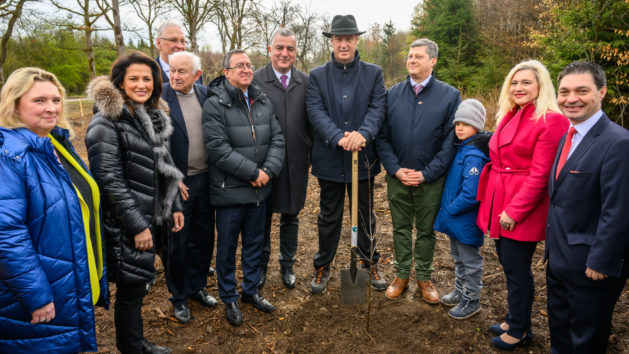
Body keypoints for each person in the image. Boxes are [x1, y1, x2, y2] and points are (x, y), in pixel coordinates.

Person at [0, 67, 107, 352]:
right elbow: (6, 234)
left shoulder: (54, 144)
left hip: (65, 281)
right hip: (37, 293)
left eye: (56, 99)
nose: (51, 108)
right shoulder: (9, 155)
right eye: (39, 101)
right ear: (14, 103)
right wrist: (36, 295)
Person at [85, 52, 184, 354]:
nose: (141, 84)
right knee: (130, 291)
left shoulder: (151, 116)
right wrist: (138, 227)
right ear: (119, 82)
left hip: (152, 216)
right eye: (134, 79)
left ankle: (135, 342)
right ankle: (131, 346)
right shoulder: (106, 123)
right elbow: (110, 182)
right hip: (127, 222)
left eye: (147, 79)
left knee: (138, 285)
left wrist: (175, 204)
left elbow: (165, 166)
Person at [476, 60, 569, 349]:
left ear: (541, 86)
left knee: (517, 268)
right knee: (507, 263)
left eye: (526, 82)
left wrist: (515, 211)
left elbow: (541, 174)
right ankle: (514, 317)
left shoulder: (550, 119)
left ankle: (519, 329)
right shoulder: (509, 114)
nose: (519, 88)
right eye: (514, 83)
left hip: (522, 204)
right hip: (499, 197)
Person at [546, 61, 629, 354]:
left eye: (582, 91)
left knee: (586, 338)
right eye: (565, 91)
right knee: (561, 330)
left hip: (592, 268)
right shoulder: (567, 137)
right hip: (559, 260)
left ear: (602, 92)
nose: (571, 98)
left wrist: (602, 261)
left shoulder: (618, 143)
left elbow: (618, 210)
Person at [203, 49, 285, 326]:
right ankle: (229, 297)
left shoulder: (262, 100)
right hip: (229, 192)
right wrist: (253, 172)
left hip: (260, 191)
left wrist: (268, 172)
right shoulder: (215, 104)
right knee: (227, 249)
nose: (247, 70)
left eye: (249, 65)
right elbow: (217, 149)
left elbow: (278, 140)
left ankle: (250, 290)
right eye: (240, 66)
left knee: (254, 245)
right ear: (226, 72)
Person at [306, 14, 387, 294]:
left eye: (348, 38)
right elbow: (315, 111)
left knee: (364, 216)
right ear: (331, 41)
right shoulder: (316, 76)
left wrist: (362, 133)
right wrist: (338, 137)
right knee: (329, 217)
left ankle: (369, 262)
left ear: (356, 41)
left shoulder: (373, 73)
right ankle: (323, 265)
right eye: (338, 38)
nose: (343, 43)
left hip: (362, 160)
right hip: (330, 160)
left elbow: (378, 108)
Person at [375, 38, 461, 303]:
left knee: (425, 231)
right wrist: (396, 169)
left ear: (432, 61)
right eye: (410, 56)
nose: (411, 60)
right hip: (398, 177)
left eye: (418, 57)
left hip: (430, 180)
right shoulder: (391, 94)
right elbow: (382, 136)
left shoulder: (450, 95)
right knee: (400, 228)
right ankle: (401, 275)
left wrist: (427, 173)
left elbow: (451, 141)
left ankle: (424, 277)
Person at [253, 28, 311, 289]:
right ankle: (261, 265)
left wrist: (309, 153)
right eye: (279, 48)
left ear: (296, 52)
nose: (284, 53)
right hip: (263, 163)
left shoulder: (307, 82)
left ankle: (287, 264)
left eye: (290, 48)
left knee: (291, 215)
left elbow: (312, 121)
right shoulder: (254, 81)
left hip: (297, 160)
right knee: (262, 217)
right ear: (270, 50)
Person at [162, 51, 218, 324]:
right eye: (172, 70)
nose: (175, 76)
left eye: (182, 72)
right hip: (179, 184)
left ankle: (197, 287)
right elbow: (154, 146)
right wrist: (172, 178)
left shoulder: (207, 95)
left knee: (204, 238)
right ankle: (179, 297)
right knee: (179, 244)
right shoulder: (159, 98)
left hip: (207, 180)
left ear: (197, 75)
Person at [433, 99, 491, 319]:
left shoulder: (474, 154)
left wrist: (450, 209)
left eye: (465, 124)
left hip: (464, 219)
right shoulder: (463, 148)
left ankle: (472, 298)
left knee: (470, 260)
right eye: (457, 123)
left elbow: (471, 193)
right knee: (458, 256)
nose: (459, 128)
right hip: (455, 218)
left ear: (477, 125)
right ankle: (460, 289)